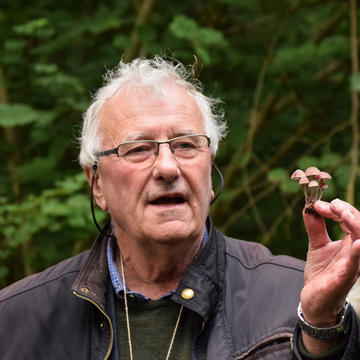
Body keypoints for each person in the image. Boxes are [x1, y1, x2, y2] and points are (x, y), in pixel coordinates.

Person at [1, 56, 360, 360]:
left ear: (209, 164)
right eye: (139, 149)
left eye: (186, 145)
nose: (168, 168)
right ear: (97, 184)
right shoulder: (16, 321)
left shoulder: (297, 297)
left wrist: (323, 325)